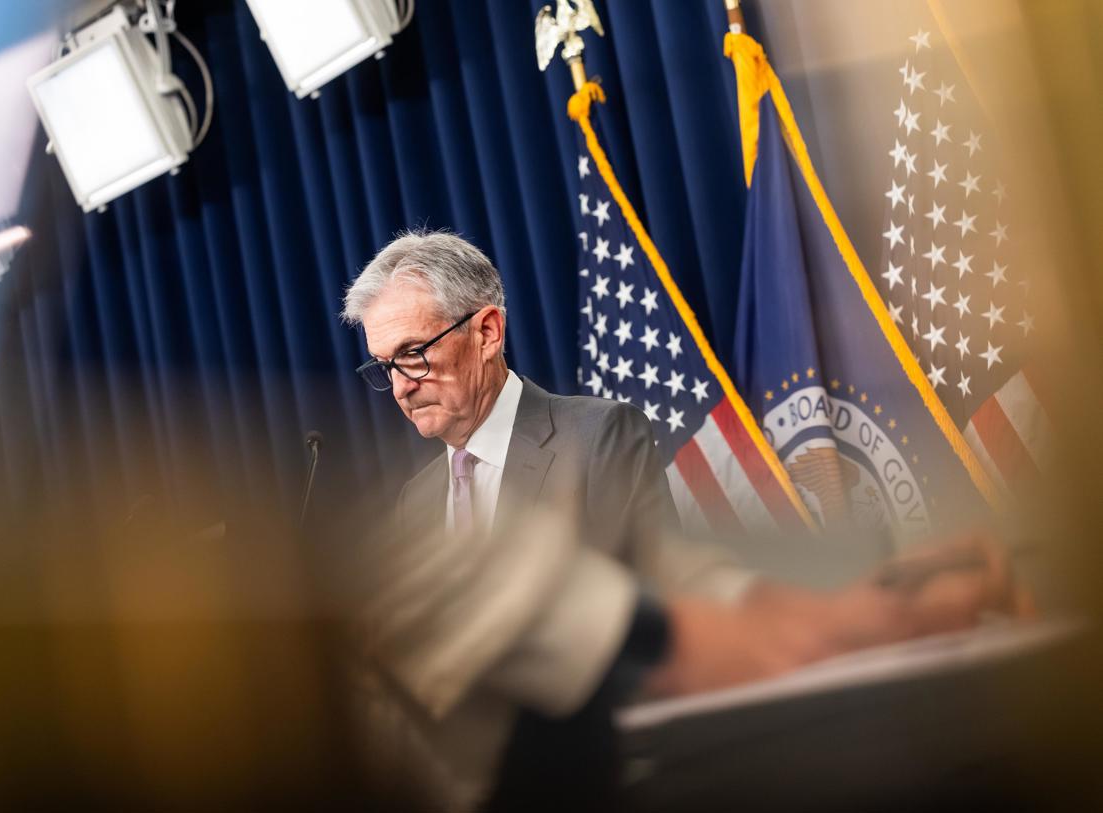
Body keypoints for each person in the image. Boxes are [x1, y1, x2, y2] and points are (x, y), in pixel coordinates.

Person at [339, 229, 1022, 810]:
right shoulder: (415, 504)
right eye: (384, 365)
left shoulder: (596, 436)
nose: (399, 383)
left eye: (413, 352)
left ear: (487, 331)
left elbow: (647, 617)